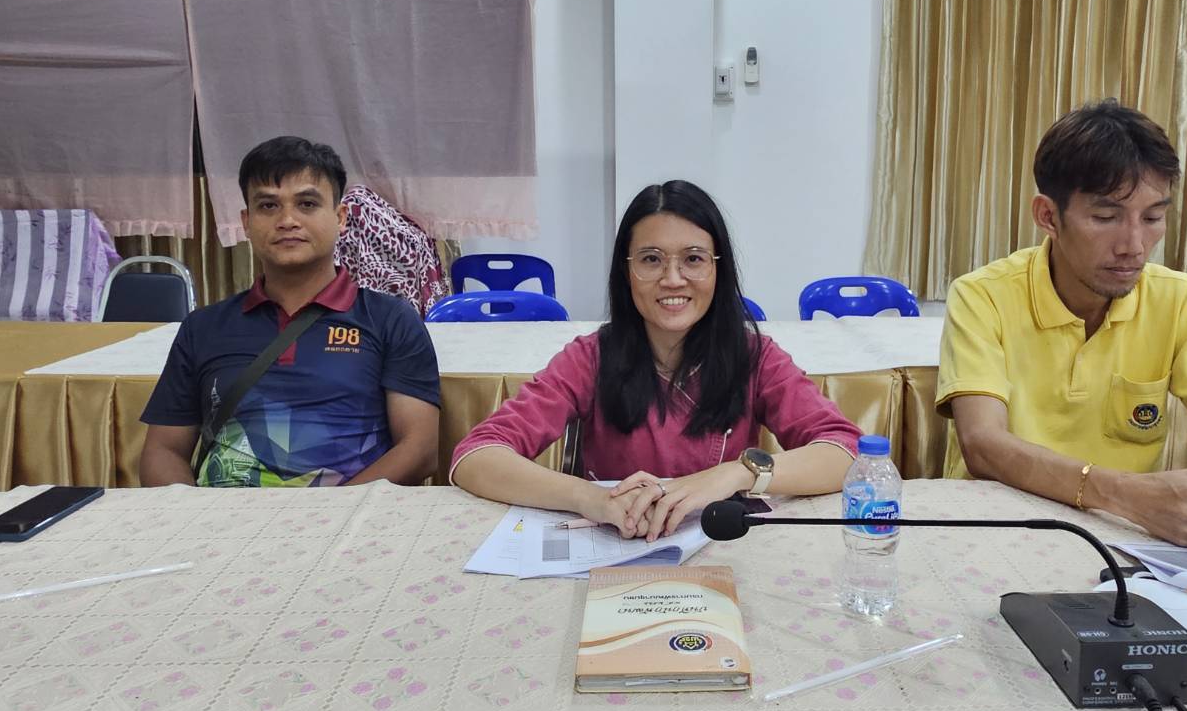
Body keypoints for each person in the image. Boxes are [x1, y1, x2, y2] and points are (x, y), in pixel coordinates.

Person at [937, 99, 1187, 551]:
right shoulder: (983, 295)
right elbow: (983, 444)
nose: (1134, 245)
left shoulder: (1179, 299)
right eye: (1106, 217)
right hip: (998, 524)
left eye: (1153, 218)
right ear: (1048, 216)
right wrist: (1128, 495)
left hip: (1120, 536)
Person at [451, 180, 861, 541]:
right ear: (626, 272)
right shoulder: (590, 357)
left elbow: (848, 453)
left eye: (694, 259)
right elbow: (477, 456)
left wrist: (736, 474)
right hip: (616, 549)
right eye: (651, 259)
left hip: (723, 549)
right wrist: (590, 498)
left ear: (719, 270)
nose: (673, 278)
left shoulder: (756, 357)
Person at [139, 137, 441, 487]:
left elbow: (419, 450)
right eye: (268, 206)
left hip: (346, 524)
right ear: (246, 221)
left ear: (341, 218)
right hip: (223, 527)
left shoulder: (391, 319)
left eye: (307, 204)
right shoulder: (202, 327)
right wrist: (193, 517)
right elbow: (163, 450)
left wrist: (327, 517)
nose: (287, 220)